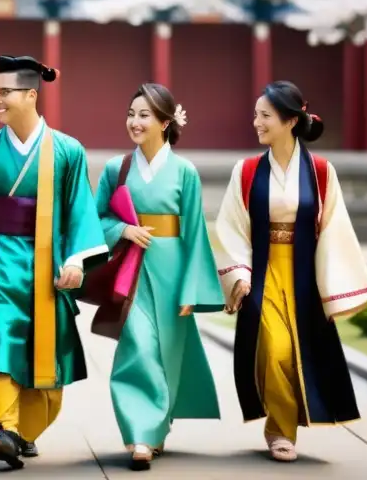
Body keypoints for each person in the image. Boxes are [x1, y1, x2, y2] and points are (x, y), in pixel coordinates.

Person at [0, 54, 109, 470]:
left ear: (31, 94)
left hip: (48, 263)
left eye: (4, 92)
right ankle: (8, 428)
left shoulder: (68, 151)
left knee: (42, 347)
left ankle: (25, 431)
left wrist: (75, 260)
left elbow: (79, 212)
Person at [210, 81, 367, 463]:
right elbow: (232, 225)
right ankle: (280, 430)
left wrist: (334, 286)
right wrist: (240, 272)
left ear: (289, 120)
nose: (256, 122)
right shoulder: (247, 170)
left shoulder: (320, 171)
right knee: (273, 350)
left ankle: (283, 425)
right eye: (256, 115)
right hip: (263, 273)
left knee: (298, 352)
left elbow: (334, 227)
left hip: (302, 275)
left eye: (264, 115)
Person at [94, 83, 225, 471]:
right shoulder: (117, 169)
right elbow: (94, 218)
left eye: (144, 115)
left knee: (167, 353)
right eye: (131, 114)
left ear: (165, 122)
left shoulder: (184, 171)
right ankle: (140, 434)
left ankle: (157, 427)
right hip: (130, 273)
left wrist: (192, 288)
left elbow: (196, 233)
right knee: (137, 348)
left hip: (172, 273)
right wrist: (121, 231)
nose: (134, 122)